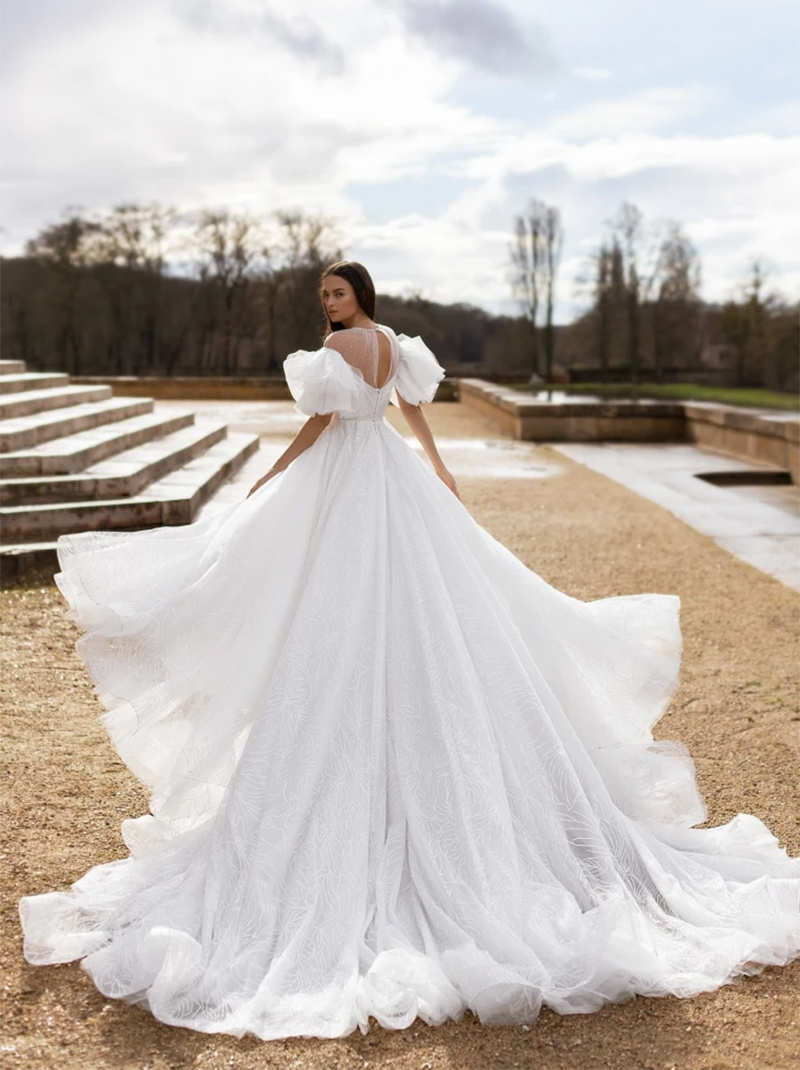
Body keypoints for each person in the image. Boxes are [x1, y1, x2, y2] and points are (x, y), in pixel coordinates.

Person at [18, 260, 800, 1042]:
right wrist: (439, 465)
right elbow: (414, 411)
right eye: (323, 295)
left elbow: (322, 423)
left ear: (358, 292)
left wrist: (275, 474)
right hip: (391, 475)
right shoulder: (395, 344)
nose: (328, 302)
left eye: (336, 291)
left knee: (335, 610)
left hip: (349, 479)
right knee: (428, 610)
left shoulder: (338, 354)